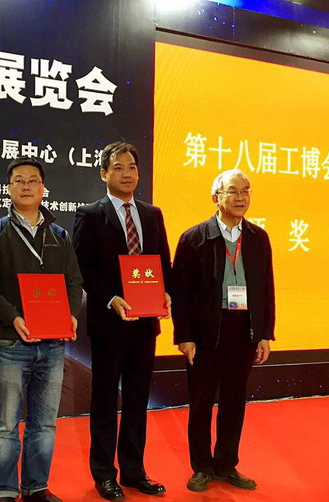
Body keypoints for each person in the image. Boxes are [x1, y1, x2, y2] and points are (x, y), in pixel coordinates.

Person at [0, 157, 83, 502]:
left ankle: (36, 486)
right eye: (19, 180)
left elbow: (73, 281)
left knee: (45, 423)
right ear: (8, 188)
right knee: (7, 424)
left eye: (33, 180)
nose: (26, 186)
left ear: (43, 188)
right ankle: (6, 489)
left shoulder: (60, 235)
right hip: (12, 342)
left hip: (52, 344)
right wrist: (13, 317)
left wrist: (70, 314)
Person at [73, 141, 171, 501]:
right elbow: (83, 267)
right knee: (104, 401)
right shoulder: (90, 215)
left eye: (132, 167)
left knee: (136, 399)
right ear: (104, 173)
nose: (127, 174)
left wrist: (166, 293)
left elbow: (163, 262)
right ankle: (104, 475)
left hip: (145, 324)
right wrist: (111, 298)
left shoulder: (152, 214)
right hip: (109, 323)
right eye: (118, 167)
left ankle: (133, 471)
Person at [171, 168, 275, 493]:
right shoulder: (194, 238)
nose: (241, 197)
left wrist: (265, 333)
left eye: (246, 190)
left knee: (234, 402)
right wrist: (184, 336)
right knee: (201, 403)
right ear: (216, 198)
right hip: (205, 334)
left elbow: (266, 288)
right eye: (233, 191)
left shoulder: (258, 238)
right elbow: (180, 293)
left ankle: (227, 464)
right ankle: (202, 467)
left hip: (243, 331)